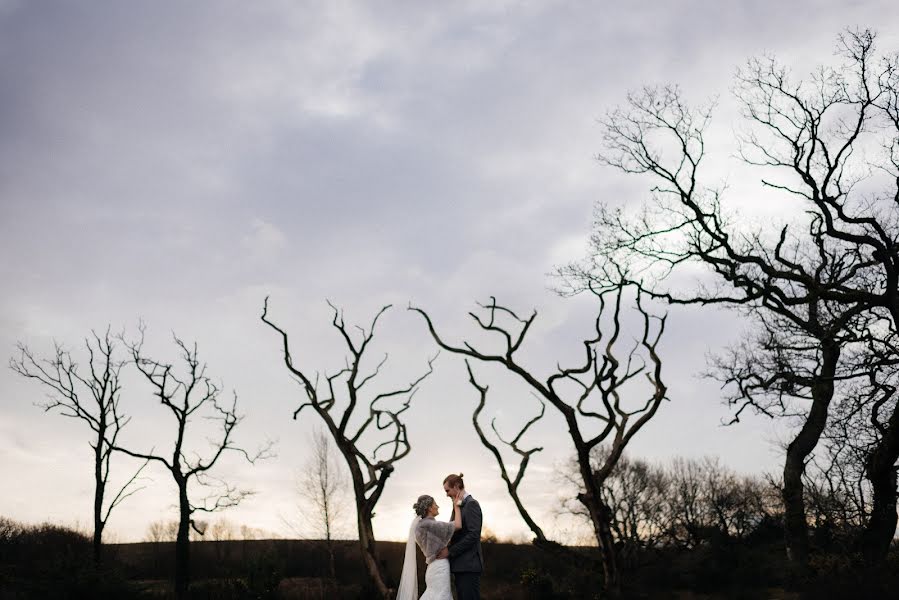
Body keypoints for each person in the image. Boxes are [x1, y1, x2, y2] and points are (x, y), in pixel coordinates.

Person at [396, 489, 464, 600]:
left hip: (432, 568)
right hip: (440, 567)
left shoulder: (420, 526)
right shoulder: (431, 525)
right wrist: (456, 506)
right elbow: (458, 525)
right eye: (435, 504)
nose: (438, 507)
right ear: (429, 508)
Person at [439, 473, 483, 600]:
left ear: (457, 486)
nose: (446, 494)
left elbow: (473, 535)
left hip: (468, 566)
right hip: (460, 566)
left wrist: (450, 551)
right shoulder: (458, 506)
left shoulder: (471, 504)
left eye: (447, 490)